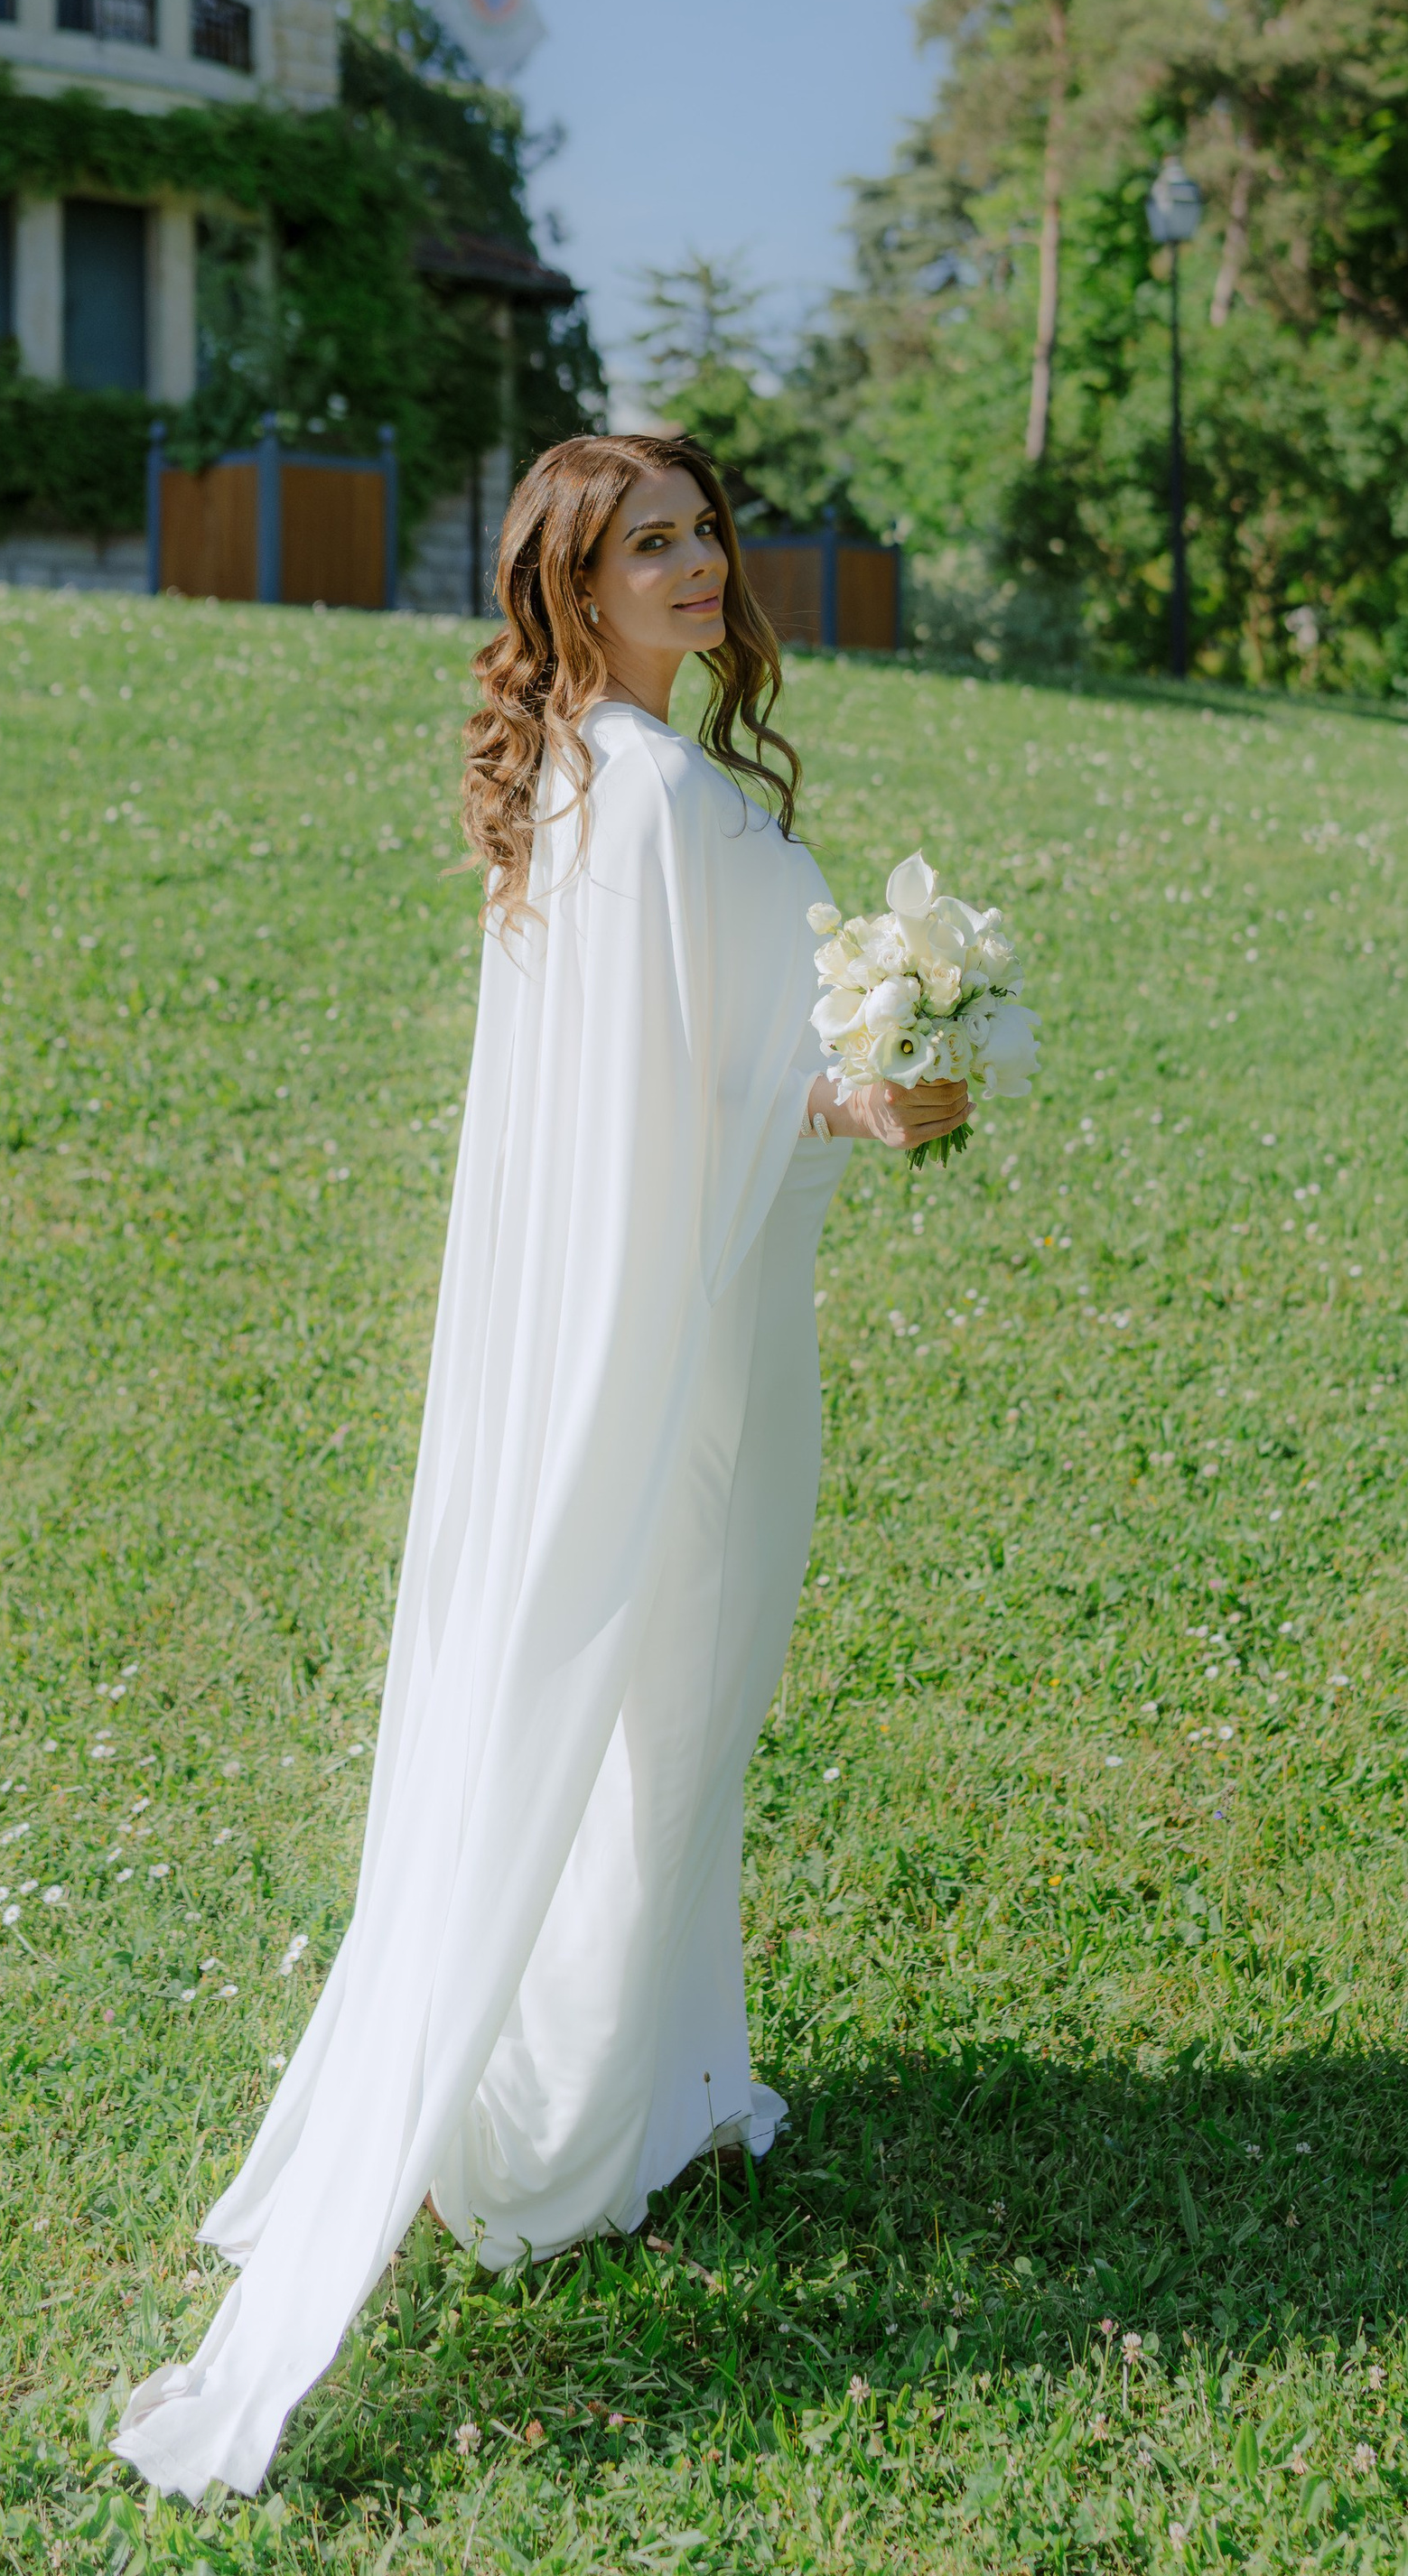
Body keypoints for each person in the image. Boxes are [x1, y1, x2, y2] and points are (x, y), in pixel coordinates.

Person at [114, 432, 966, 2499]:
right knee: (661, 1715)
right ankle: (575, 2135)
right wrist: (876, 1105)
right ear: (563, 588)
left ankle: (632, 2079)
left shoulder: (589, 774)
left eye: (698, 532)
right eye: (639, 542)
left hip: (612, 1325)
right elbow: (695, 1109)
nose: (688, 563)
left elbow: (643, 1092)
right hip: (666, 1347)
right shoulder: (650, 792)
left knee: (643, 1721)